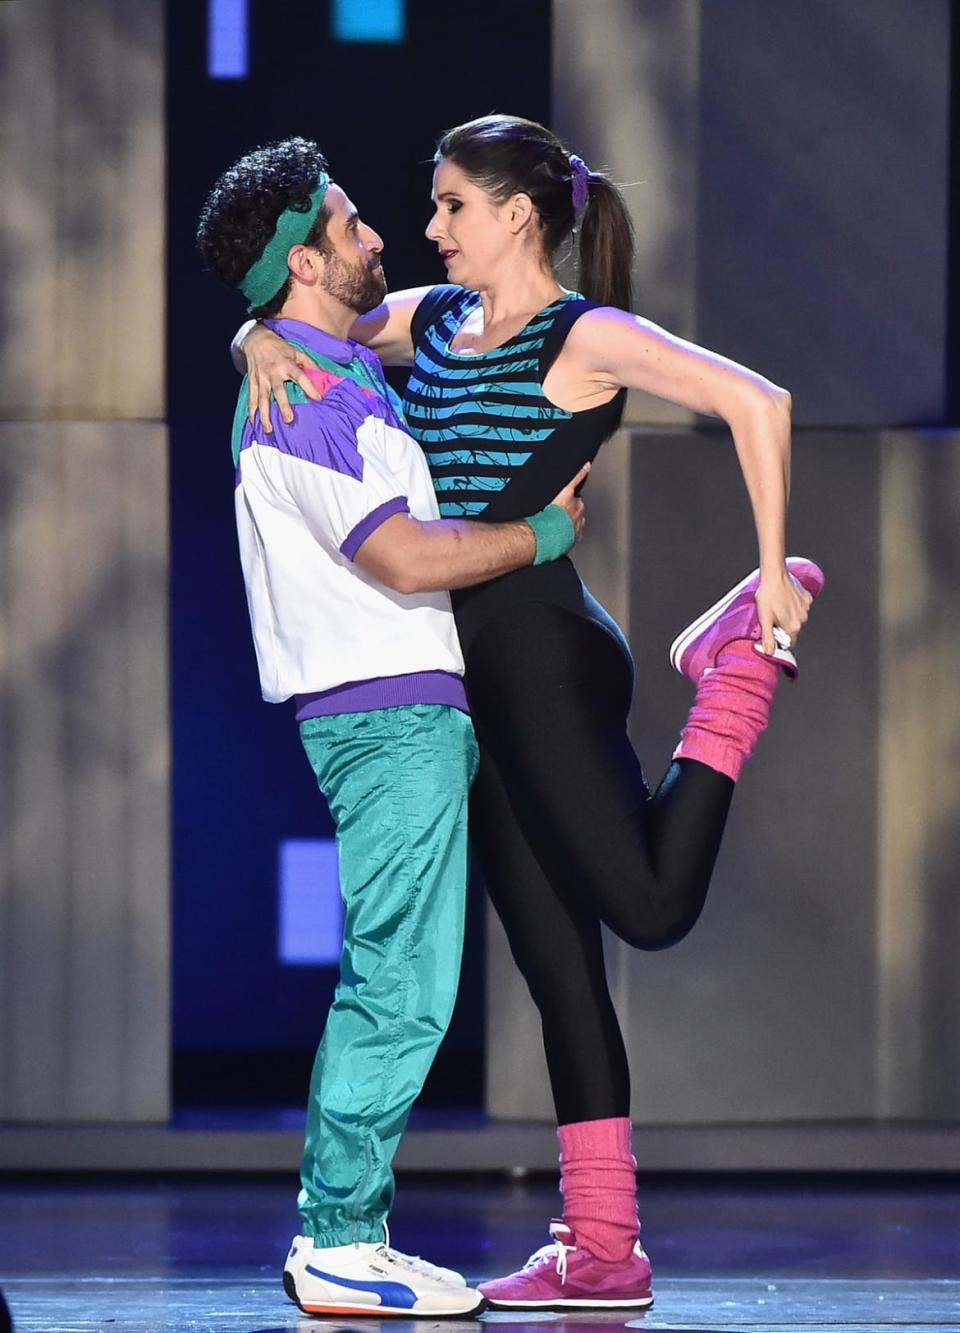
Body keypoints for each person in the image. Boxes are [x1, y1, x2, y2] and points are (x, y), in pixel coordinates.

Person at [235, 114, 824, 1312]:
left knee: (649, 909)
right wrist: (252, 334)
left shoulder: (585, 333)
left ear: (516, 214)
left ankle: (731, 678)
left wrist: (768, 578)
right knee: (560, 967)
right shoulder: (438, 323)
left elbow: (760, 403)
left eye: (452, 207)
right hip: (472, 681)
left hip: (545, 655)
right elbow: (316, 319)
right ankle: (602, 1246)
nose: (431, 231)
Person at [196, 135, 589, 1319]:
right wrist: (542, 538)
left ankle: (348, 1229)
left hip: (402, 713)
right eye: (355, 224)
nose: (380, 238)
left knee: (402, 974)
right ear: (308, 263)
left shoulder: (311, 359)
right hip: (385, 719)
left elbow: (281, 328)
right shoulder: (308, 397)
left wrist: (251, 328)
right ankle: (336, 1235)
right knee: (401, 984)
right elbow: (409, 556)